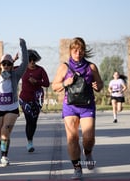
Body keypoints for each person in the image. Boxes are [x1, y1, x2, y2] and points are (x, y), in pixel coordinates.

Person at [52, 37, 103, 179]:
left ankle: (88, 152)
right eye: (75, 50)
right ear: (70, 51)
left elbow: (100, 83)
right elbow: (54, 86)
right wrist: (65, 83)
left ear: (84, 51)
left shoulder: (91, 67)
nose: (78, 53)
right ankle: (77, 168)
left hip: (87, 106)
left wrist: (98, 86)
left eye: (80, 50)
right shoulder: (64, 67)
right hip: (70, 107)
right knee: (72, 139)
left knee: (88, 138)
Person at [0, 37, 28, 167]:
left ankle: (4, 156)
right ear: (0, 65)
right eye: (4, 64)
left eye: (9, 64)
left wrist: (23, 45)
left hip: (12, 108)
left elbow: (24, 63)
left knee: (5, 133)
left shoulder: (15, 74)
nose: (7, 66)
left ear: (12, 65)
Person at [18, 49, 50, 152]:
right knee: (29, 120)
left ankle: (31, 139)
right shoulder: (22, 69)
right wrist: (13, 60)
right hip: (24, 99)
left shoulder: (40, 70)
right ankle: (29, 142)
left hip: (37, 99)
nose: (32, 62)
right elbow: (7, 69)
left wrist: (37, 81)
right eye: (30, 60)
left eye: (34, 60)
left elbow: (47, 83)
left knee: (34, 121)